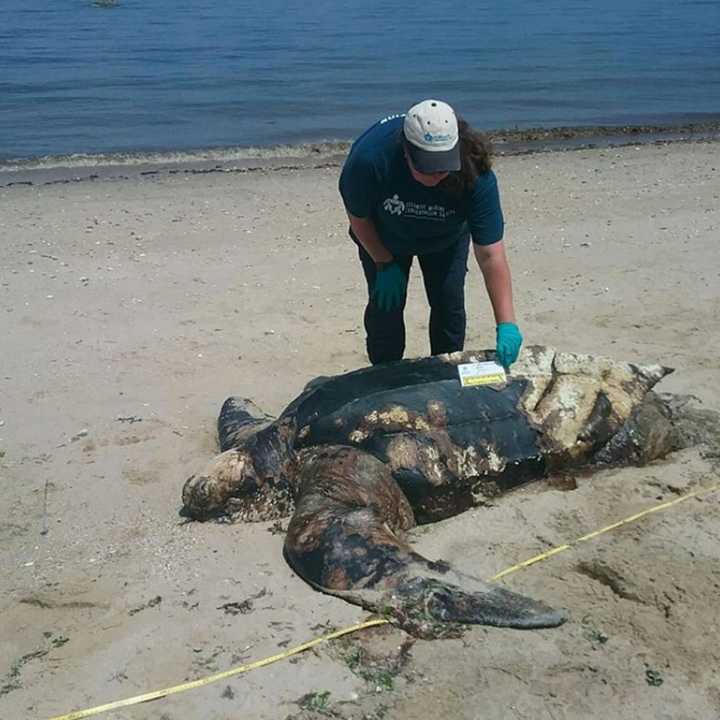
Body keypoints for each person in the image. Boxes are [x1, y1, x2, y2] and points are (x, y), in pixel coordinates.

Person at [339, 99, 523, 368]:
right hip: (385, 238)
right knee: (385, 310)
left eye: (443, 164)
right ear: (406, 151)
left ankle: (443, 372)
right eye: (427, 166)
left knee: (448, 306)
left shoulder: (476, 173)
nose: (437, 174)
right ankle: (384, 375)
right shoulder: (369, 160)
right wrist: (383, 261)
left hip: (445, 240)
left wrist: (507, 323)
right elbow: (359, 218)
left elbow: (490, 253)